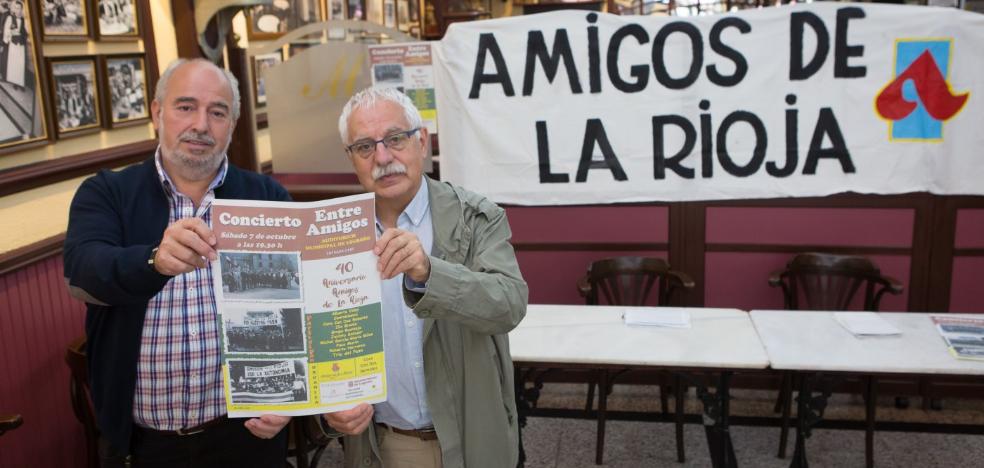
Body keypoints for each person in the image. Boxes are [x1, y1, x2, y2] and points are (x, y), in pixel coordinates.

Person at [63, 58, 292, 467]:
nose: (201, 124)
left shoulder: (266, 196)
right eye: (185, 107)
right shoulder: (107, 193)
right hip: (145, 445)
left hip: (247, 435)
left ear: (232, 124)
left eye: (217, 112)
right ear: (157, 113)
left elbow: (299, 310)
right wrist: (154, 261)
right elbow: (83, 272)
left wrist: (291, 398)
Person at [321, 87, 528, 468]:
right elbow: (319, 344)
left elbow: (509, 304)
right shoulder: (333, 238)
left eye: (395, 139)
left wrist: (430, 274)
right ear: (352, 159)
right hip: (382, 446)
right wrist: (330, 409)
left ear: (422, 141)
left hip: (472, 441)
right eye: (365, 146)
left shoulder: (476, 218)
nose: (383, 157)